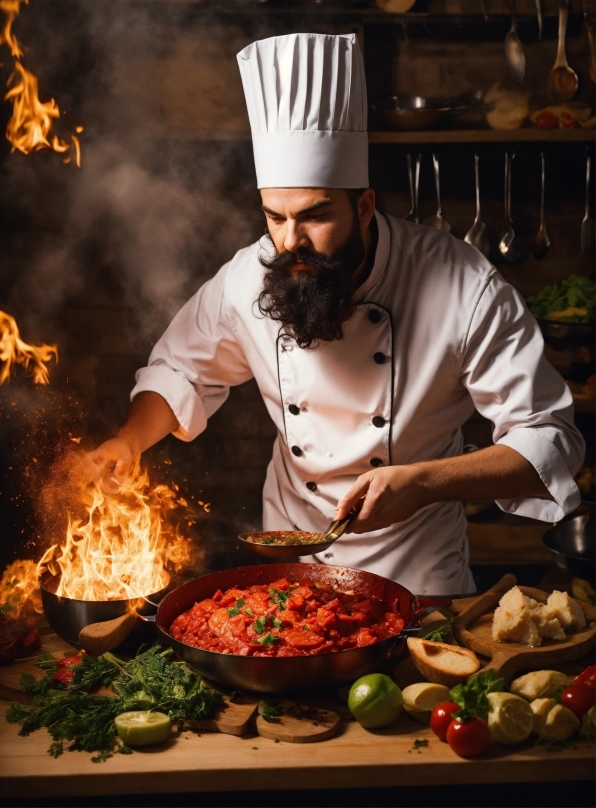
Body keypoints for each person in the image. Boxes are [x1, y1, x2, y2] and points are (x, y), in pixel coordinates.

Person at [85, 33, 584, 595]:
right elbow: (181, 370)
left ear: (364, 206)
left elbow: (549, 436)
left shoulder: (462, 283)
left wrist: (424, 481)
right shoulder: (252, 274)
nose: (291, 242)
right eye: (275, 217)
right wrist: (131, 440)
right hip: (289, 562)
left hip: (417, 572)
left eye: (315, 216)